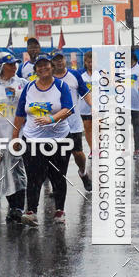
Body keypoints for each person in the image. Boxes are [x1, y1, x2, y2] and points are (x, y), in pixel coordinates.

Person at [13, 53, 73, 226]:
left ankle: (59, 210)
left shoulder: (61, 86)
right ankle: (31, 211)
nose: (43, 68)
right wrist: (14, 138)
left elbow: (68, 109)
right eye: (39, 65)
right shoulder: (29, 87)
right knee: (33, 176)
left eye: (46, 64)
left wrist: (51, 119)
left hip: (59, 139)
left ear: (52, 66)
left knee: (58, 175)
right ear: (35, 69)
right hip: (32, 139)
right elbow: (19, 114)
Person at [0, 54, 27, 221]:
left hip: (18, 136)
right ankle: (12, 205)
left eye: (15, 64)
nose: (14, 67)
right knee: (3, 173)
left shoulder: (23, 84)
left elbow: (29, 107)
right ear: (1, 67)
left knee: (17, 171)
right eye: (10, 65)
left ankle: (18, 207)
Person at [52, 51, 92, 191]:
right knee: (55, 157)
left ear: (65, 60)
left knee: (78, 154)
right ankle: (56, 185)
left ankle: (83, 172)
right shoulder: (48, 78)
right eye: (56, 60)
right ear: (52, 62)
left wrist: (95, 107)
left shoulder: (74, 76)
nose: (59, 62)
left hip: (73, 125)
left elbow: (85, 93)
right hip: (54, 125)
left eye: (61, 59)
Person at [80, 50, 93, 157]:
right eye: (89, 62)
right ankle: (92, 149)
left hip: (99, 106)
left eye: (93, 62)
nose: (91, 64)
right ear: (85, 62)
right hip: (84, 107)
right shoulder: (80, 74)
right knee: (87, 128)